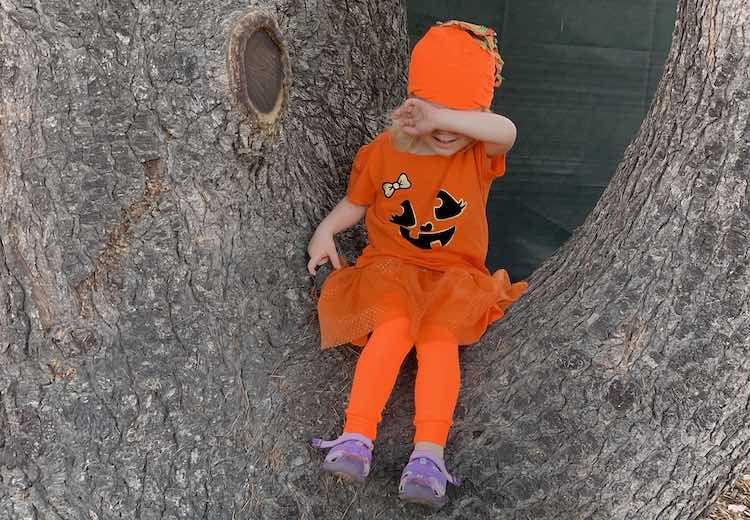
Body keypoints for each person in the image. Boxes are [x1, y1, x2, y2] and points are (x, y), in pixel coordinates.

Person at [308, 20, 528, 508]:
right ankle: (355, 437)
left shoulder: (477, 153)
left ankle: (428, 455)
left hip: (454, 279)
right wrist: (327, 229)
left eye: (461, 116)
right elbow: (356, 204)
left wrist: (447, 117)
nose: (446, 130)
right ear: (413, 105)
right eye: (434, 114)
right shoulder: (382, 153)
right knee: (393, 329)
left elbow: (506, 131)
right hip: (391, 268)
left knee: (438, 339)